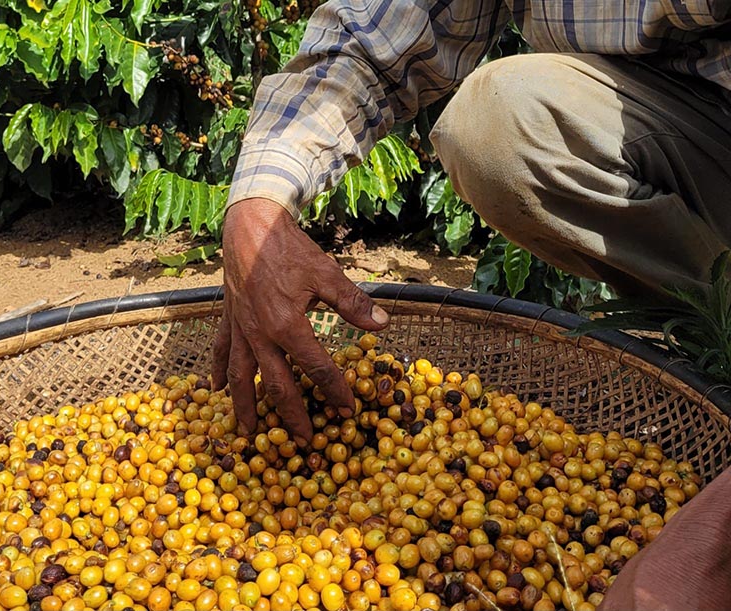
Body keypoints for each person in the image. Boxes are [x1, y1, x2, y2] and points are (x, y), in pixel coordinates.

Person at [210, 3, 731, 608]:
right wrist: (256, 209)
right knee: (497, 121)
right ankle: (715, 329)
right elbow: (373, 41)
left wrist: (713, 542)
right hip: (689, 117)